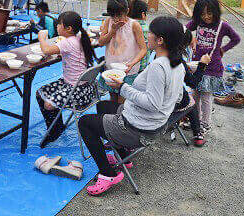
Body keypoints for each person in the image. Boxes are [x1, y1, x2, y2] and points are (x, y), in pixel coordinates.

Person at [78, 16, 185, 196]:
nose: (147, 36)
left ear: (160, 40)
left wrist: (122, 88)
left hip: (138, 129)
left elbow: (152, 103)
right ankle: (122, 156)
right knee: (103, 107)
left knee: (85, 123)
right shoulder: (177, 63)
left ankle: (107, 174)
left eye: (150, 33)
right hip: (155, 124)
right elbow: (178, 96)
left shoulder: (159, 66)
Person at [36, 11, 97, 147]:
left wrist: (42, 37)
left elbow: (45, 50)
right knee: (41, 92)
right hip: (85, 88)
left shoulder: (68, 42)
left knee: (48, 104)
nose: (57, 26)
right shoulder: (80, 38)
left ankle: (54, 131)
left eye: (59, 24)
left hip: (77, 91)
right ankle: (57, 126)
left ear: (68, 29)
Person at [186, 0, 241, 133]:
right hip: (197, 66)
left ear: (216, 12)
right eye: (202, 14)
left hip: (212, 68)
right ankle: (196, 121)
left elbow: (236, 39)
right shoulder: (197, 23)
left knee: (205, 97)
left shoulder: (223, 26)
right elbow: (183, 29)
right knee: (195, 95)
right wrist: (191, 37)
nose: (206, 17)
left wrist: (223, 49)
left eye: (209, 13)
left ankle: (205, 124)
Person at [97, 0, 147, 100]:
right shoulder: (108, 21)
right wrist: (112, 31)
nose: (116, 19)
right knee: (112, 98)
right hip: (111, 69)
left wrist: (132, 63)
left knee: (122, 100)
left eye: (119, 15)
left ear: (127, 11)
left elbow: (143, 49)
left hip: (128, 71)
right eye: (113, 15)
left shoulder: (134, 25)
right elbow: (101, 42)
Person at [178, 27, 211, 147]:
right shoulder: (178, 62)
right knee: (190, 100)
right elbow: (193, 83)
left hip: (157, 100)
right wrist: (202, 65)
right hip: (169, 105)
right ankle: (198, 134)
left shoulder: (159, 55)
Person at [129, 0, 151, 73]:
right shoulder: (147, 30)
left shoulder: (126, 26)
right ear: (143, 14)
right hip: (142, 66)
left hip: (127, 64)